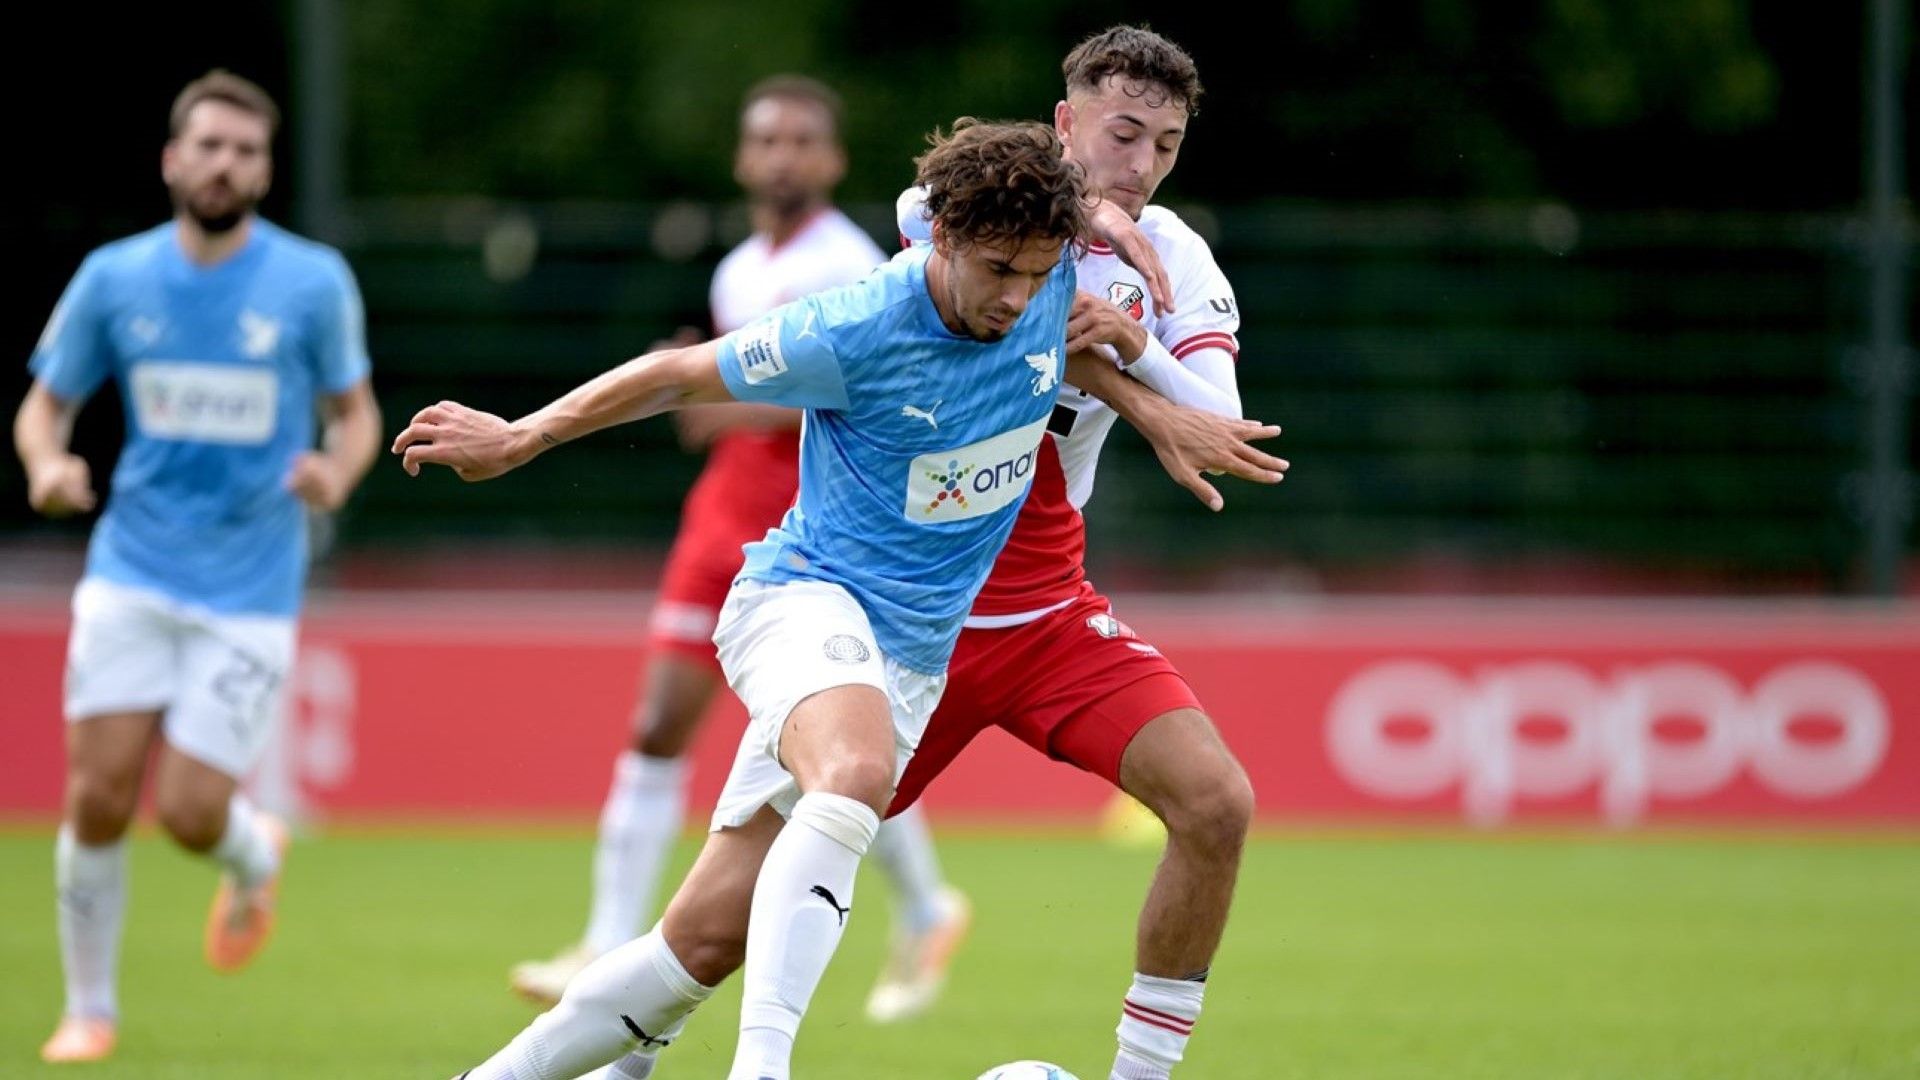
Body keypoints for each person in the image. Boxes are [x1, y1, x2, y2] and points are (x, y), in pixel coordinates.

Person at [398, 118, 1282, 1080]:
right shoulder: (856, 324)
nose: (1019, 300)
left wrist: (1152, 404)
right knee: (855, 772)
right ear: (940, 239)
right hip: (806, 602)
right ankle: (762, 1069)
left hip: (910, 656)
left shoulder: (1041, 284)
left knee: (692, 949)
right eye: (998, 273)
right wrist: (522, 437)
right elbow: (677, 375)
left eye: (1037, 277)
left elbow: (1062, 349)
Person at [507, 74, 973, 1028]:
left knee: (827, 749)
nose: (783, 158)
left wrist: (706, 402)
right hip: (721, 522)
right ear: (742, 157)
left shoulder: (851, 260)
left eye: (803, 142)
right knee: (659, 726)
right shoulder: (736, 270)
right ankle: (604, 938)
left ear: (835, 160)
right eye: (767, 142)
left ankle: (925, 906)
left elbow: (843, 387)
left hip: (816, 533)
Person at [890, 26, 1253, 1080]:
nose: (1141, 165)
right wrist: (1080, 220)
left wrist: (1133, 341)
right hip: (914, 595)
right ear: (1066, 124)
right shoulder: (989, 211)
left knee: (1216, 804)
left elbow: (1222, 421)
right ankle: (611, 1050)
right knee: (772, 855)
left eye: (1166, 146)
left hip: (1044, 599)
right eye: (1124, 134)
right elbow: (917, 208)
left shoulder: (1175, 256)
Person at [15, 70, 380, 1064]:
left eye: (246, 151)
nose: (225, 165)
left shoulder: (312, 282)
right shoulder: (114, 277)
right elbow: (44, 402)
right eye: (209, 145)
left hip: (250, 587)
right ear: (173, 159)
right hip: (130, 567)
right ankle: (90, 1010)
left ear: (264, 170)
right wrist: (48, 464)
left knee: (185, 813)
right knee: (96, 795)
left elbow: (357, 415)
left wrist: (336, 475)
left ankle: (252, 853)